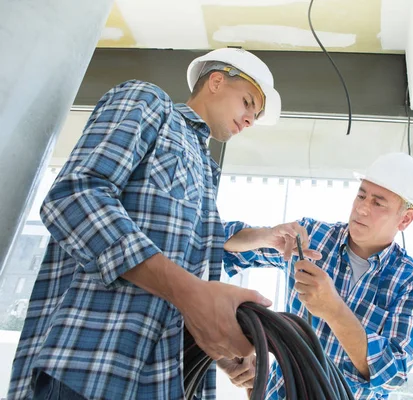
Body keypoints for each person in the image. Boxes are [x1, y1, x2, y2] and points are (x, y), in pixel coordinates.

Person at [8, 48, 282, 400]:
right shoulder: (149, 102)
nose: (249, 120)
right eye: (248, 102)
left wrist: (216, 348)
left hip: (166, 382)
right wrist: (190, 293)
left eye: (255, 116)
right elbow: (76, 197)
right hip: (91, 367)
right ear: (216, 81)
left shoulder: (206, 170)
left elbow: (184, 265)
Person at [222, 152, 413, 399]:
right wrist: (267, 236)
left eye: (378, 203)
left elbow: (393, 374)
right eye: (361, 195)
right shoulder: (312, 238)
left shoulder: (412, 280)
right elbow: (223, 244)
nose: (362, 208)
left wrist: (333, 309)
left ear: (405, 219)